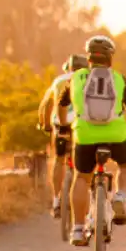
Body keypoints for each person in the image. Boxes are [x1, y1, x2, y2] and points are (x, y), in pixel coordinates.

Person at [55, 35, 126, 247]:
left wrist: (62, 127)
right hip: (116, 135)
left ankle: (78, 229)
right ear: (110, 57)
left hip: (85, 136)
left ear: (89, 57)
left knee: (81, 178)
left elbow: (61, 106)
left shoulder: (76, 78)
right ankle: (120, 196)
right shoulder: (118, 79)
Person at [38, 53, 88, 218]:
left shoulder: (59, 81)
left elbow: (46, 105)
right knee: (86, 163)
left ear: (68, 67)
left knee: (59, 159)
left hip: (61, 124)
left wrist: (45, 124)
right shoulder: (89, 79)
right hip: (82, 125)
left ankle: (57, 199)